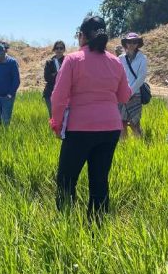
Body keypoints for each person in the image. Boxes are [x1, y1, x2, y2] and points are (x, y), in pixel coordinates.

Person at [50, 16, 131, 221]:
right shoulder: (115, 61)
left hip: (80, 129)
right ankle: (96, 227)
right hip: (110, 129)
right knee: (99, 180)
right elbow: (124, 96)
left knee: (67, 180)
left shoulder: (73, 59)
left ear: (81, 36)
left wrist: (56, 124)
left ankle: (66, 224)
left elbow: (58, 97)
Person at [118, 33, 148, 138]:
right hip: (122, 95)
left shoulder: (142, 58)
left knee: (134, 123)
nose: (131, 44)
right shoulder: (120, 58)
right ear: (125, 43)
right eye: (129, 42)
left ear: (138, 44)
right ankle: (124, 147)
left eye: (134, 42)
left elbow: (141, 77)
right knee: (122, 123)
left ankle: (140, 146)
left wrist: (130, 91)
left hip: (135, 94)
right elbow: (118, 76)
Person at [0, 43, 21, 126]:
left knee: (5, 121)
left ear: (4, 53)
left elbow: (16, 80)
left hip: (7, 98)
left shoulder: (12, 62)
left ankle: (5, 137)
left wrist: (10, 94)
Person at [42, 41, 66, 118]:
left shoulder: (68, 61)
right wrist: (59, 73)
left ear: (64, 50)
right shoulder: (49, 62)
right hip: (50, 93)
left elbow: (69, 77)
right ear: (54, 49)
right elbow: (47, 78)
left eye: (61, 48)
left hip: (64, 93)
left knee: (64, 116)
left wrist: (54, 74)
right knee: (53, 117)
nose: (59, 50)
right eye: (57, 48)